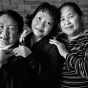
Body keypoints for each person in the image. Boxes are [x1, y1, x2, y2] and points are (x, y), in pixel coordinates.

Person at [13, 2, 63, 88]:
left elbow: (50, 83)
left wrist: (30, 56)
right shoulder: (24, 38)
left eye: (48, 23)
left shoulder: (53, 48)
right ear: (32, 17)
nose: (41, 25)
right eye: (39, 18)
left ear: (52, 28)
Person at [49, 2, 88, 88]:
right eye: (62, 19)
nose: (67, 22)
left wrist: (65, 54)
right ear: (59, 24)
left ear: (81, 18)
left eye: (70, 17)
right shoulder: (60, 39)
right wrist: (29, 36)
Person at [0, 10, 34, 88]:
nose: (5, 33)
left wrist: (0, 63)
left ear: (19, 34)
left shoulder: (20, 57)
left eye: (11, 28)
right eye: (1, 26)